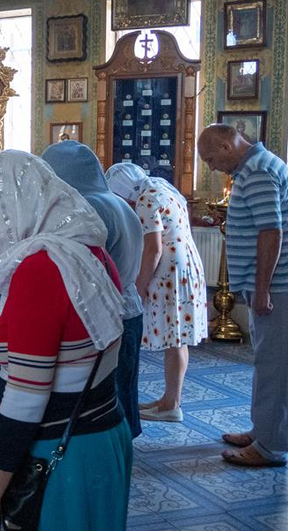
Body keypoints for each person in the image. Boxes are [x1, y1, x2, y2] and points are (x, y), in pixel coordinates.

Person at [0, 151, 131, 531]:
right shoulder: (90, 251)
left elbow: (26, 399)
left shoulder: (40, 269)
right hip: (103, 439)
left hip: (59, 457)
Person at [198, 123, 288, 467]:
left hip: (277, 286)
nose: (211, 167)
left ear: (225, 145)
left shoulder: (260, 171)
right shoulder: (255, 167)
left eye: (210, 159)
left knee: (275, 366)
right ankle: (263, 430)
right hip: (270, 284)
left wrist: (263, 287)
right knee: (267, 361)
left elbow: (271, 232)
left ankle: (270, 446)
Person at [42, 140, 145, 438]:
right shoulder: (115, 201)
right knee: (125, 385)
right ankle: (124, 446)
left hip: (106, 315)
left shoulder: (88, 207)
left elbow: (83, 269)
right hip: (129, 309)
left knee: (105, 396)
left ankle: (113, 452)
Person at [105, 163, 207, 423]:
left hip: (169, 274)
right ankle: (169, 399)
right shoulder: (161, 187)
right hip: (185, 267)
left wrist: (138, 288)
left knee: (175, 338)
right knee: (177, 338)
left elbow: (153, 249)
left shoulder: (145, 200)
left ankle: (172, 404)